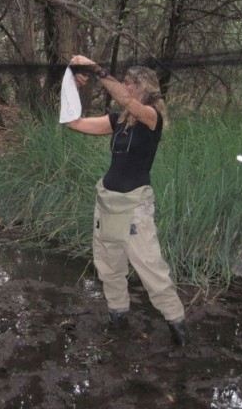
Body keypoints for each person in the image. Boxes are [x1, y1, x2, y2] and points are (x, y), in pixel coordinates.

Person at [67, 55, 189, 346]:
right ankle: (118, 320)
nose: (123, 87)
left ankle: (179, 332)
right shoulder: (117, 121)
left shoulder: (151, 118)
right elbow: (74, 122)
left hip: (135, 206)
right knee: (109, 267)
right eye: (122, 83)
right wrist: (72, 85)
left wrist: (98, 71)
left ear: (142, 87)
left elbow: (129, 103)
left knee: (151, 269)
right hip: (107, 201)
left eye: (128, 83)